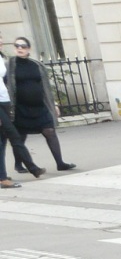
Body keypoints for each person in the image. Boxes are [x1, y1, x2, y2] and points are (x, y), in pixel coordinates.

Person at [5, 37, 74, 172]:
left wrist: (53, 104)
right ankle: (18, 165)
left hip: (39, 107)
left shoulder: (37, 65)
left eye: (23, 46)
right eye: (17, 46)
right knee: (19, 136)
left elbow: (46, 87)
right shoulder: (10, 65)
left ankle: (60, 163)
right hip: (19, 107)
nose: (20, 48)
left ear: (29, 49)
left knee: (50, 131)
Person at [0, 65, 45, 186]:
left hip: (4, 101)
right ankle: (31, 168)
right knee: (14, 136)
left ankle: (2, 175)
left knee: (2, 140)